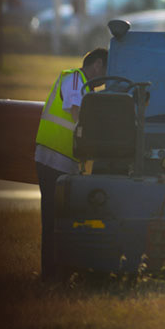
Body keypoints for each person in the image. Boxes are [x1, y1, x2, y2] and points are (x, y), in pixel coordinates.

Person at [34, 47, 108, 281]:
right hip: (53, 158)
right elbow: (75, 110)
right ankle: (51, 274)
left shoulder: (84, 86)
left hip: (63, 162)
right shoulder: (75, 78)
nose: (105, 79)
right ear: (97, 65)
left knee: (63, 220)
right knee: (53, 219)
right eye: (106, 71)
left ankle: (61, 271)